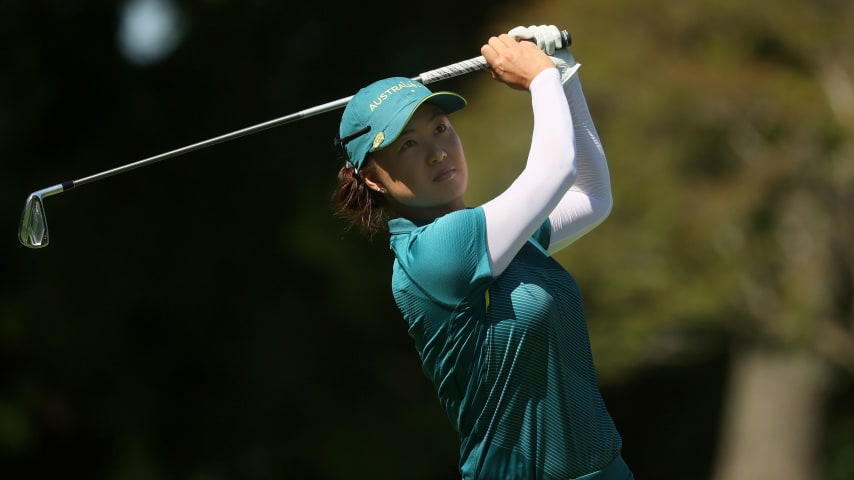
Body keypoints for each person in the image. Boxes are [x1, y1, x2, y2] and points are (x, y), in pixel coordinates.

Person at [331, 24, 633, 480]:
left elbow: (592, 197)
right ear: (372, 178)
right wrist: (541, 79)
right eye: (409, 143)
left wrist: (565, 75)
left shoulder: (495, 237)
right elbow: (555, 169)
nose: (437, 152)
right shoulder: (432, 253)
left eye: (440, 128)